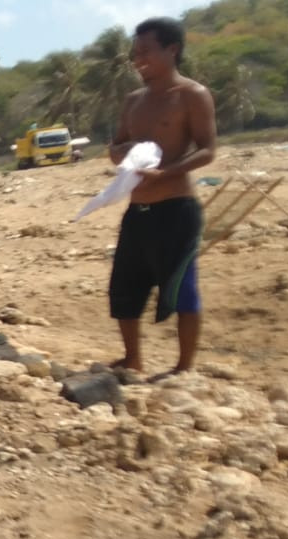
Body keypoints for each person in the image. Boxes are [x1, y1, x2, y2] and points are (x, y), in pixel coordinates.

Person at [105, 16, 217, 378]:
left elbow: (208, 150)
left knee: (182, 289)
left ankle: (184, 367)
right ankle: (133, 358)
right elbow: (116, 144)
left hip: (176, 209)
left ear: (172, 50)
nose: (138, 59)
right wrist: (124, 154)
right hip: (137, 209)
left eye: (146, 51)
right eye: (135, 53)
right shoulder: (134, 100)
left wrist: (165, 172)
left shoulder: (191, 95)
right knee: (124, 286)